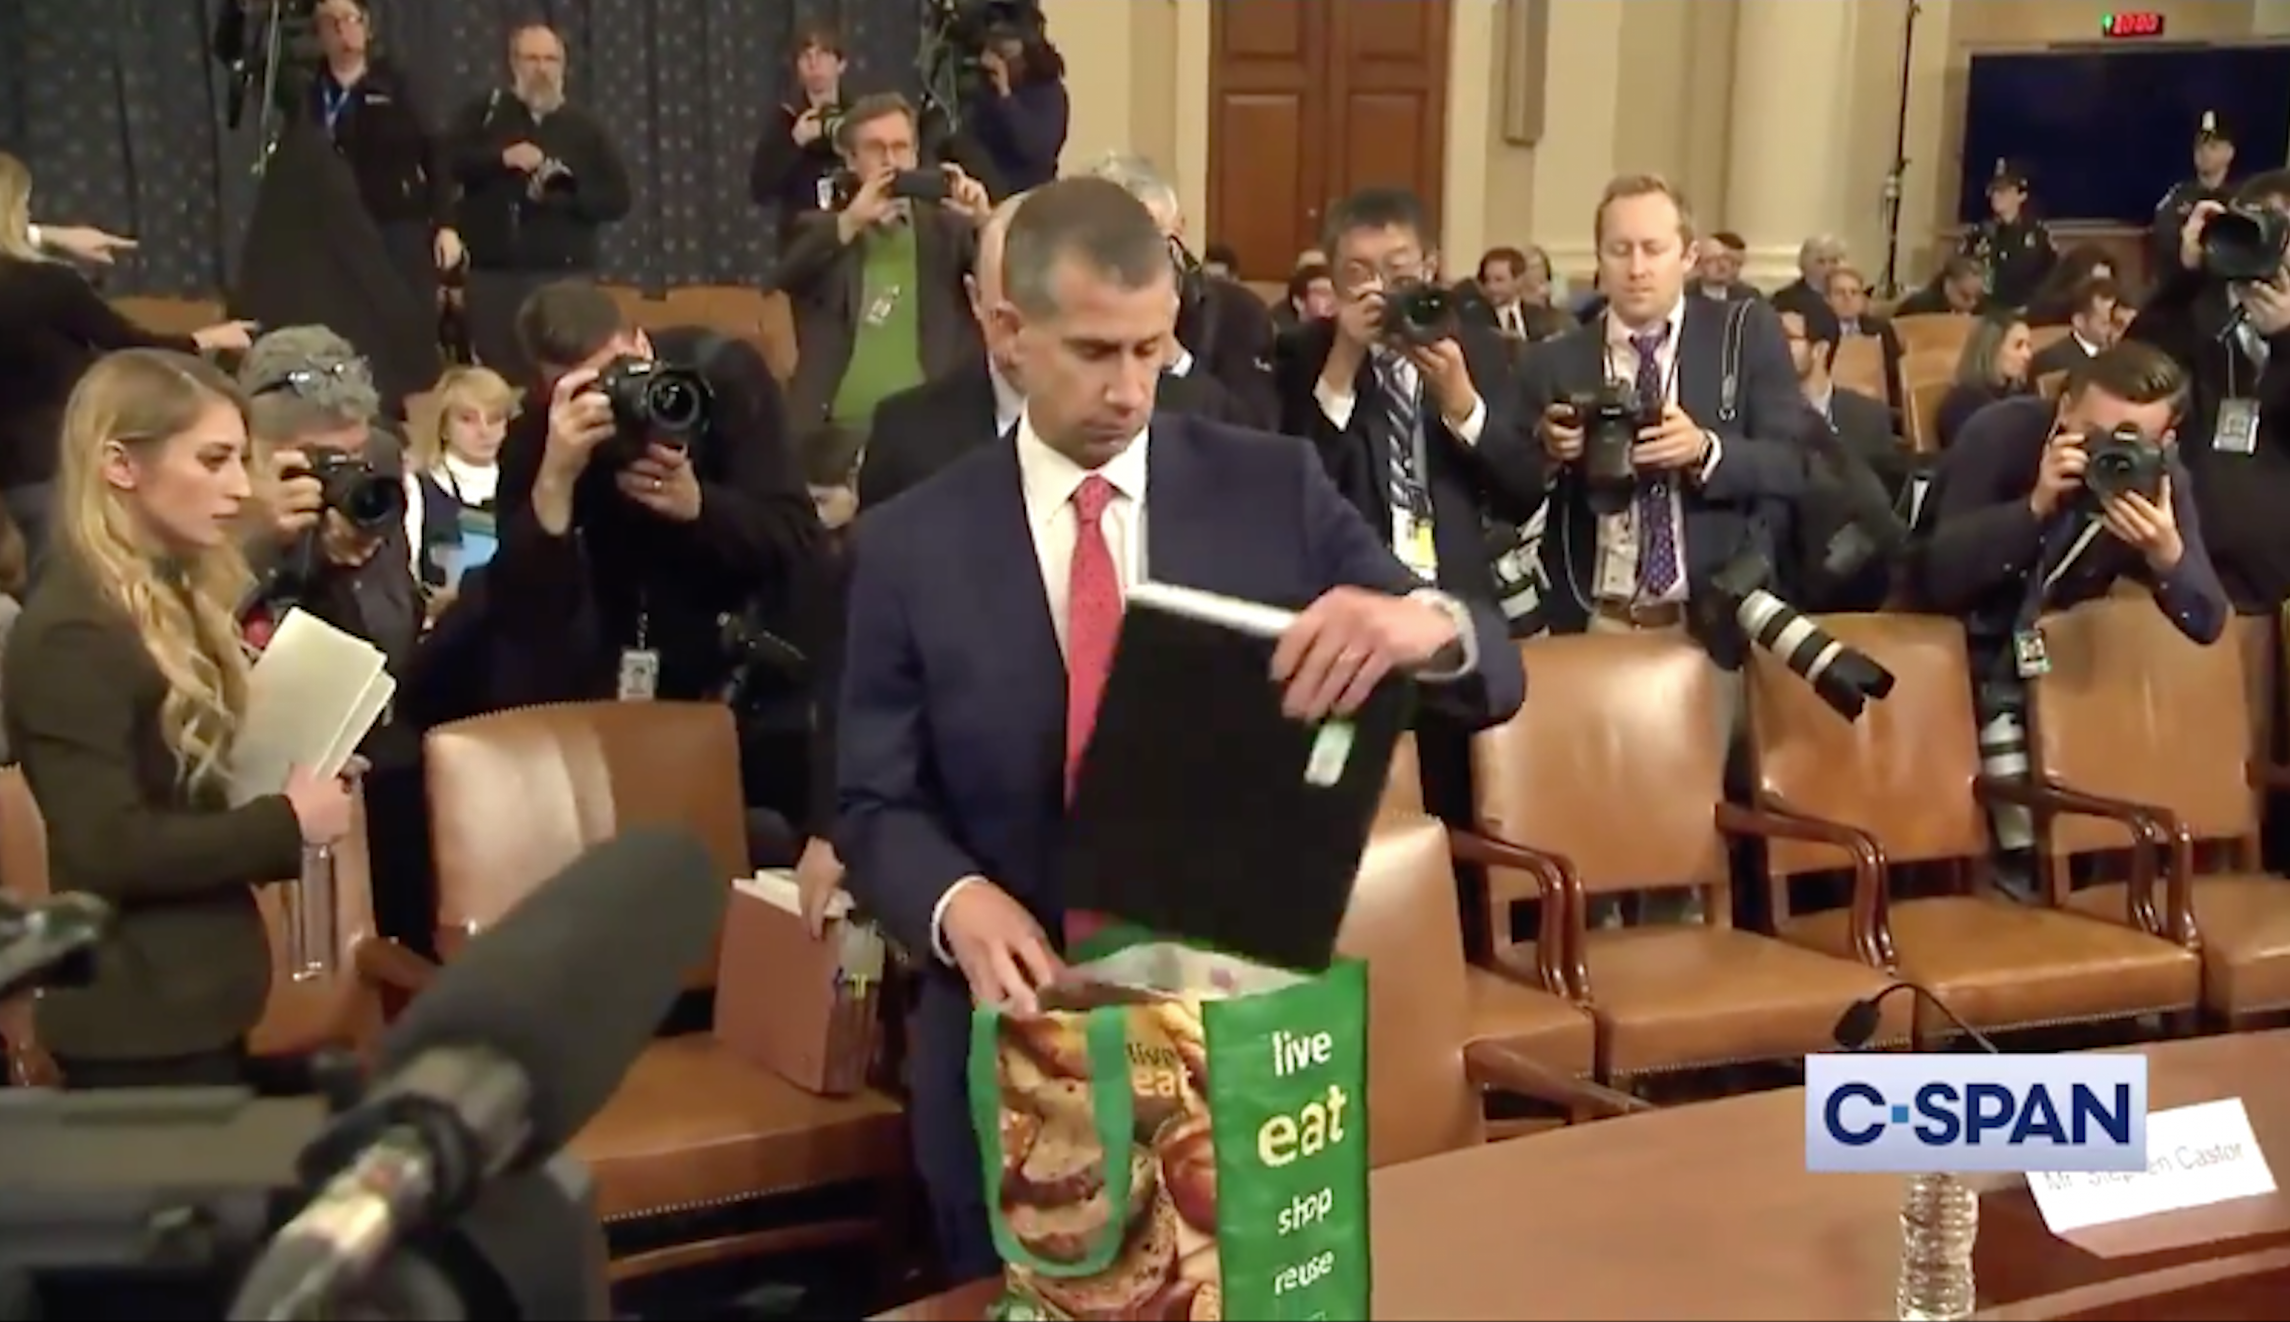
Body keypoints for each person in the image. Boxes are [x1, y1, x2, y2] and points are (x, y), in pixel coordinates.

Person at [837, 177, 1521, 1279]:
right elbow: (872, 799)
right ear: (1008, 332)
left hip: (1234, 1049)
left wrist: (1426, 624)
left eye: (1150, 350)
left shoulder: (1271, 487)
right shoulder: (910, 545)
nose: (1128, 389)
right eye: (1093, 352)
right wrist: (954, 901)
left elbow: (1493, 674)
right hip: (1014, 1043)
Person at [3, 350, 353, 1088]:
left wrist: (295, 760)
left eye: (242, 461)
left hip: (198, 1002)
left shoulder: (165, 601)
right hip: (137, 1025)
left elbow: (177, 788)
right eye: (214, 460)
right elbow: (107, 847)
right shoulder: (72, 630)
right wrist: (287, 821)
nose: (241, 488)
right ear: (120, 465)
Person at [498, 282, 824, 824]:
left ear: (640, 342)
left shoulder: (722, 378)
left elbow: (796, 538)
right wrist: (555, 480)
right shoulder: (539, 434)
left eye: (621, 370)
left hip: (742, 688)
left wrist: (701, 507)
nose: (612, 397)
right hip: (606, 696)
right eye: (586, 388)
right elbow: (522, 608)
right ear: (548, 386)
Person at [1510, 173, 1808, 657]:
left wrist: (1705, 450)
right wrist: (1548, 452)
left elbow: (1794, 463)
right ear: (1599, 260)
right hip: (1595, 623)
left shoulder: (1744, 335)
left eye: (1653, 249)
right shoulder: (1553, 361)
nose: (1636, 268)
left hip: (1708, 625)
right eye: (1619, 250)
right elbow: (1509, 493)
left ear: (1688, 256)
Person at [0, 153, 253, 560]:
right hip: (53, 464)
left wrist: (47, 235)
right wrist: (204, 339)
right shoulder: (47, 286)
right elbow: (125, 343)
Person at [769, 93, 992, 442]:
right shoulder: (824, 230)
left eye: (900, 148)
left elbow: (1017, 289)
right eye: (876, 149)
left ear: (915, 155)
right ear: (851, 160)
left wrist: (986, 223)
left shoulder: (950, 231)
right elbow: (782, 279)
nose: (890, 161)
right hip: (836, 432)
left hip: (932, 430)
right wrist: (851, 221)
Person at [2127, 172, 2290, 614]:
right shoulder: (2194, 314)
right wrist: (2184, 277)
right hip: (2200, 571)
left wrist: (2286, 338)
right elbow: (2132, 371)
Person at [448, 22, 632, 379]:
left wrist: (566, 192)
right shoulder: (485, 115)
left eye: (550, 59)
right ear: (513, 63)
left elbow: (617, 199)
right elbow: (449, 166)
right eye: (532, 59)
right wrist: (501, 159)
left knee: (565, 371)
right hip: (494, 276)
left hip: (563, 275)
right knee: (498, 378)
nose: (542, 69)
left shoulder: (585, 128)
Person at [299, 0, 460, 316]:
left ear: (367, 28)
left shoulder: (399, 86)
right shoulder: (309, 93)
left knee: (404, 318)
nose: (343, 30)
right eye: (331, 22)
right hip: (331, 227)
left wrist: (446, 225)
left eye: (351, 19)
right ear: (318, 34)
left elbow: (437, 155)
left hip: (396, 224)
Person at [749, 23, 850, 244]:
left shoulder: (859, 116)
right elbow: (761, 189)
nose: (814, 64)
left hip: (852, 233)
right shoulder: (784, 119)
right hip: (801, 239)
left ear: (841, 64)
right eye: (806, 57)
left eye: (823, 54)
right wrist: (794, 143)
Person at [965, 21, 1070, 195]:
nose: (987, 61)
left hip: (1028, 192)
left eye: (1001, 54)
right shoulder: (985, 91)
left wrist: (1005, 95)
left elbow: (1034, 148)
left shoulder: (1050, 93)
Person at [2152, 111, 2238, 278]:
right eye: (2199, 146)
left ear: (2229, 153)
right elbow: (2164, 234)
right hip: (2182, 282)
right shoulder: (2178, 195)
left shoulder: (2240, 198)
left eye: (2213, 146)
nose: (2204, 152)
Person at [1961, 159, 2055, 311]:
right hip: (1986, 312)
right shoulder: (1979, 233)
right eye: (1993, 190)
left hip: (2024, 312)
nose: (1996, 196)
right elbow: (1961, 270)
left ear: (2021, 195)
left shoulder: (2037, 234)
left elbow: (2053, 275)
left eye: (2003, 191)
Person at [1934, 312, 2035, 450]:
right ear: (1991, 348)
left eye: (2029, 346)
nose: (2027, 355)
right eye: (2018, 346)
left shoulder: (2020, 395)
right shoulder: (1963, 403)